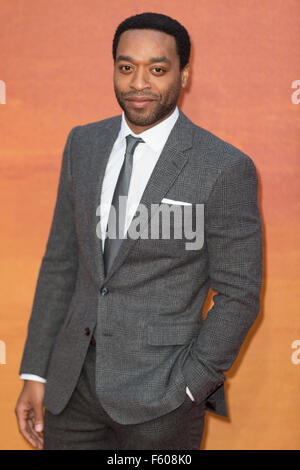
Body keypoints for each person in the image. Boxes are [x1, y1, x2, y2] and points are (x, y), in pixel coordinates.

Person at [15, 12, 263, 450]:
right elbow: (62, 262)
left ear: (184, 74)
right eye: (127, 67)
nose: (138, 83)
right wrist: (37, 372)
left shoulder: (223, 167)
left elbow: (240, 293)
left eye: (158, 68)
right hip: (72, 391)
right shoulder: (83, 144)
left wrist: (193, 383)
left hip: (162, 399)